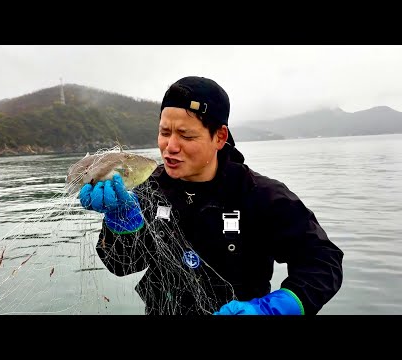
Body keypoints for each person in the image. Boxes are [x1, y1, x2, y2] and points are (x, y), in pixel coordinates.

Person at [79, 76, 344, 315]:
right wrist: (121, 224)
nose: (170, 147)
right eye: (164, 132)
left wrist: (274, 308)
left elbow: (323, 260)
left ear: (219, 137)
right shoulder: (149, 189)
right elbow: (123, 266)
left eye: (186, 135)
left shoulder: (261, 195)